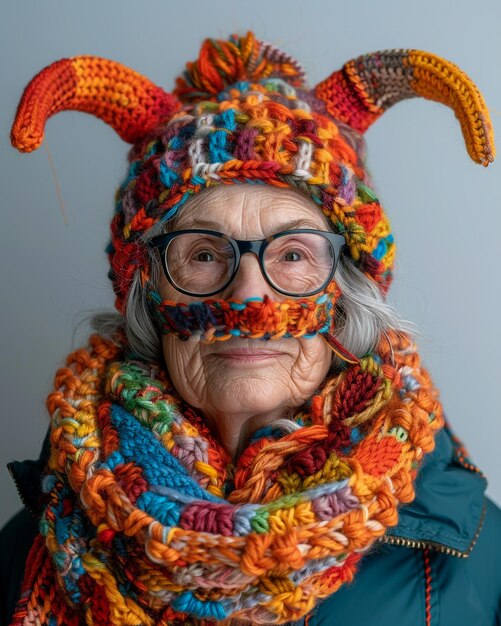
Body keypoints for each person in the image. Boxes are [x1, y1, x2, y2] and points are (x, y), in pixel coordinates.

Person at [1, 32, 500, 625]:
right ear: (146, 294)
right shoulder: (32, 541)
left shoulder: (472, 558)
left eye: (293, 254)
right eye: (203, 253)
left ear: (346, 294)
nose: (248, 294)